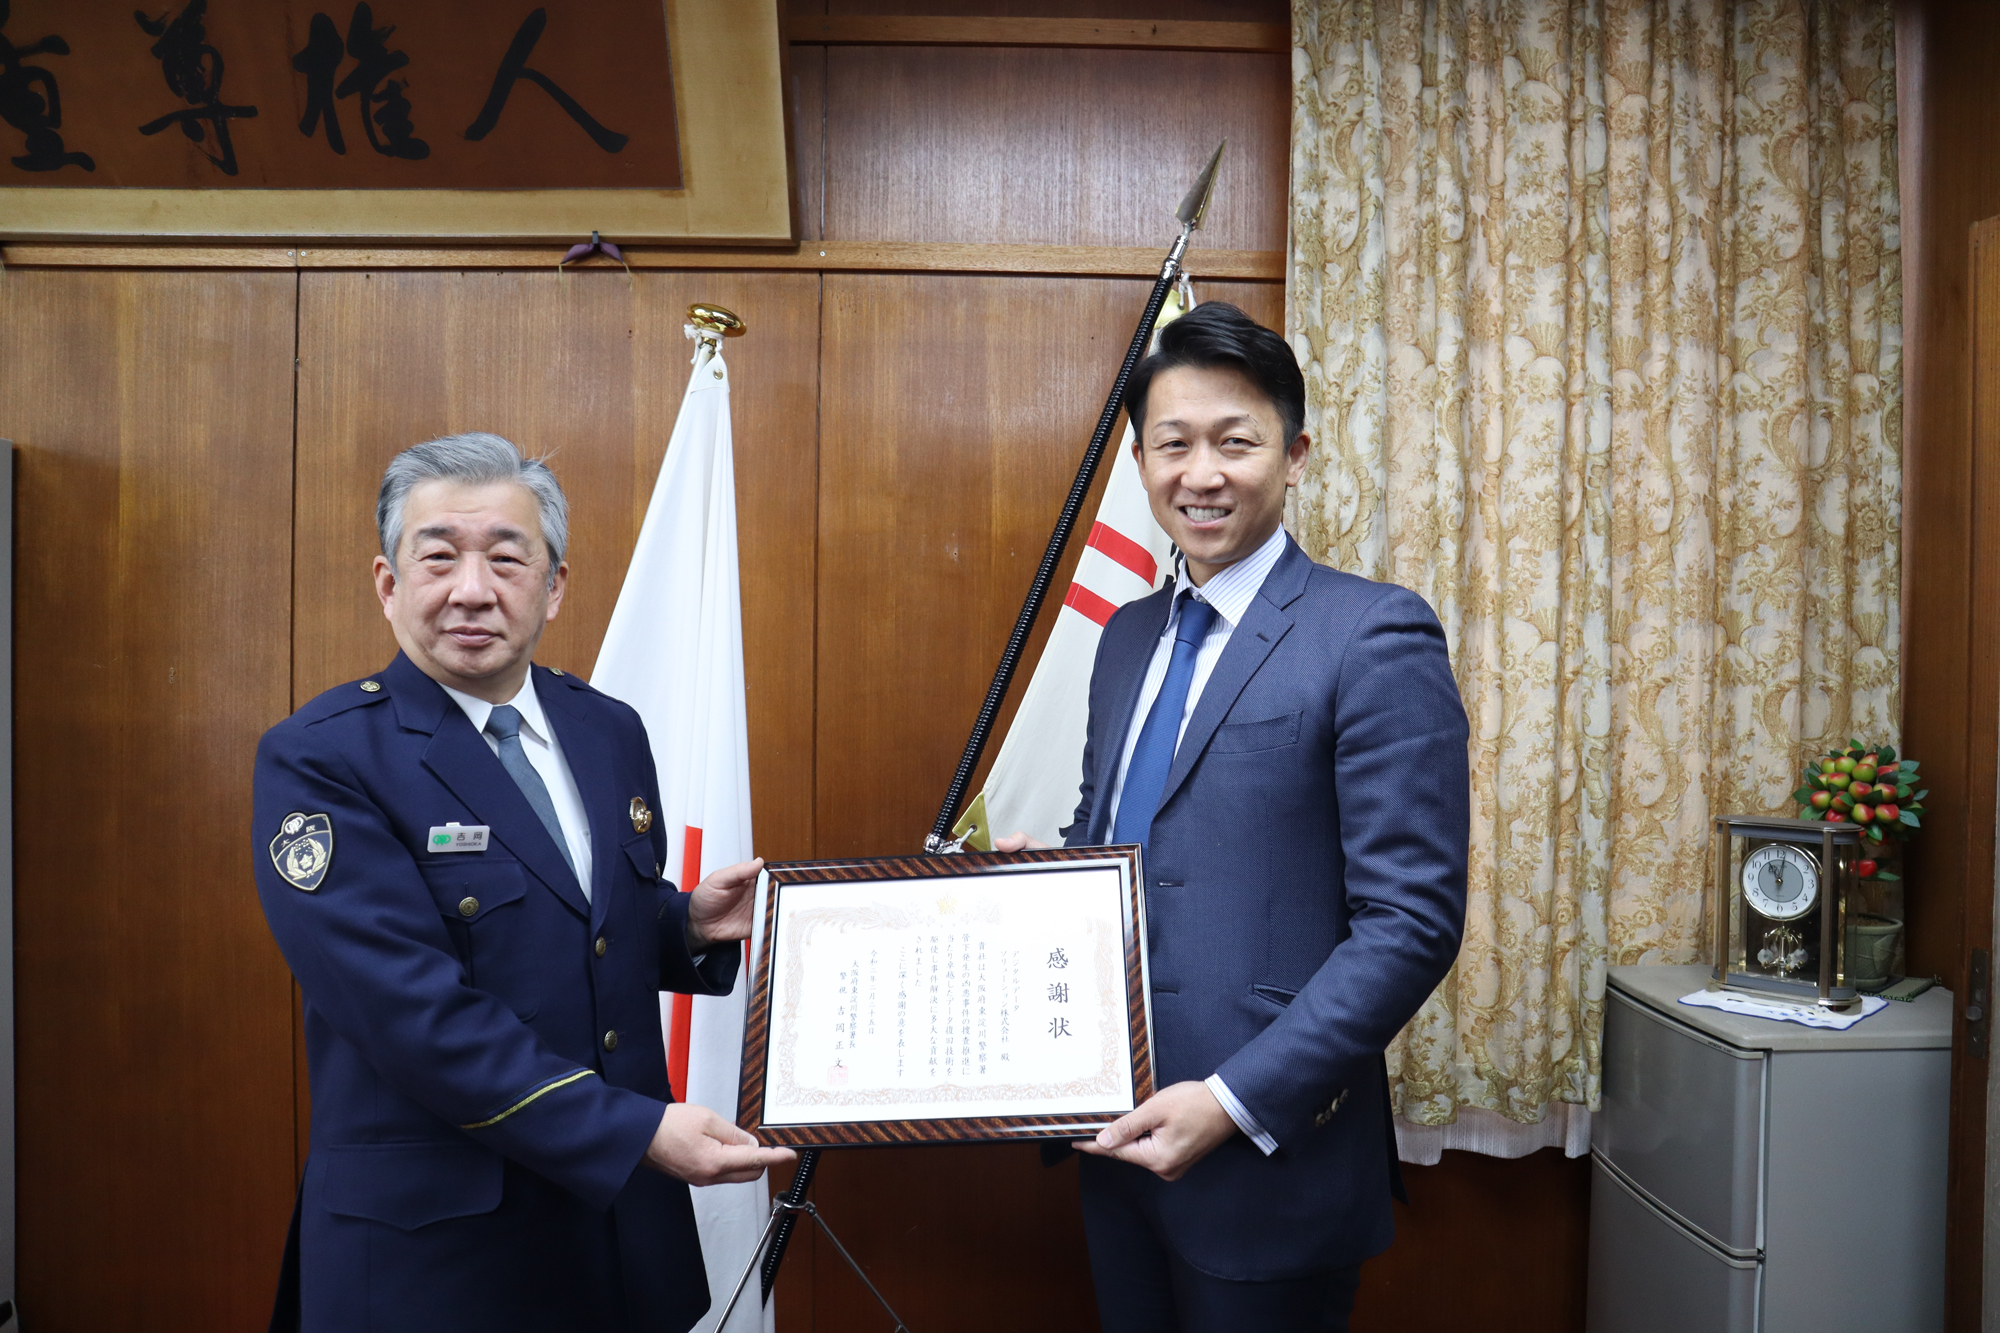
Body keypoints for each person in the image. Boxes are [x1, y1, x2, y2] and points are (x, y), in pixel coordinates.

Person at [253, 432, 795, 1333]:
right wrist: (637, 1132)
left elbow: (569, 915)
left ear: (554, 586)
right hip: (439, 1256)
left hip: (614, 1241)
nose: (473, 588)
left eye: (508, 559)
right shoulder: (324, 759)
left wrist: (685, 925)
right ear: (389, 585)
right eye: (439, 557)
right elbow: (413, 1015)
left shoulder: (605, 729)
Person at [1001, 304, 1470, 1331]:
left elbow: (1411, 925)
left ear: (1293, 455)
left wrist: (1232, 1101)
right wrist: (1042, 882)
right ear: (1138, 460)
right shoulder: (1124, 639)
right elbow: (1114, 840)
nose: (1199, 472)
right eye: (1172, 443)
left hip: (1268, 1155)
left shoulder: (1371, 632)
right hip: (1114, 1138)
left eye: (1234, 441)